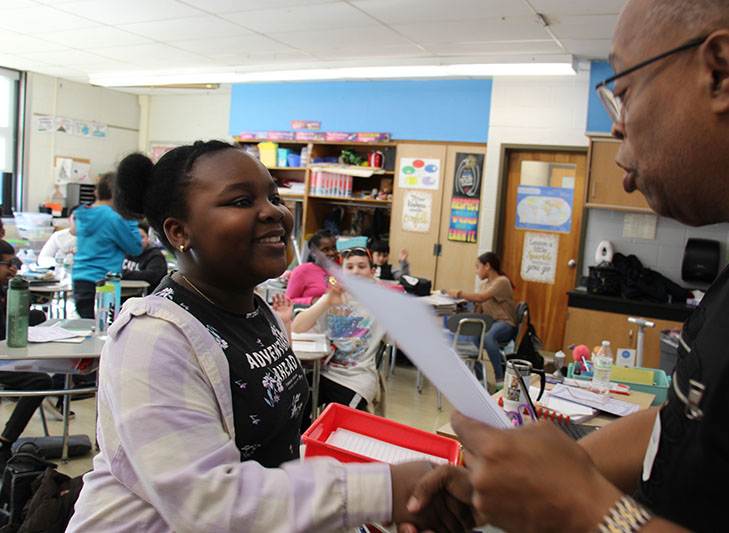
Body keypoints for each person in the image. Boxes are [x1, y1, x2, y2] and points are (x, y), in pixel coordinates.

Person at [406, 0, 729, 531]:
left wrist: (586, 508)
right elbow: (684, 425)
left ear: (720, 72)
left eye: (625, 93)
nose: (618, 129)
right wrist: (540, 478)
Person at [67, 141, 472, 532]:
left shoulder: (257, 312)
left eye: (274, 197)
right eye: (242, 201)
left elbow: (273, 456)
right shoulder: (155, 339)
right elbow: (211, 504)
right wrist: (384, 490)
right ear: (178, 232)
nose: (274, 212)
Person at [292, 247, 385, 415]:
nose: (355, 271)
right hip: (323, 373)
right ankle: (302, 441)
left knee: (339, 420)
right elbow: (297, 327)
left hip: (356, 379)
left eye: (361, 266)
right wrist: (326, 302)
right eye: (349, 267)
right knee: (293, 404)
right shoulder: (333, 297)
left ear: (372, 271)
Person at [0, 239, 51, 470]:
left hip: (5, 355)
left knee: (39, 375)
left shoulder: (4, 289)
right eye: (8, 264)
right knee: (39, 381)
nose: (14, 269)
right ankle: (5, 442)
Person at [71, 172, 142, 318]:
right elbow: (135, 247)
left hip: (80, 280)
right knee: (104, 332)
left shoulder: (82, 213)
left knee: (90, 326)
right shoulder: (112, 218)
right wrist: (131, 216)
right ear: (118, 194)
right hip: (103, 283)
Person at [446, 252, 516, 388]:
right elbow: (479, 310)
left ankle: (500, 379)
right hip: (490, 324)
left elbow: (480, 298)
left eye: (477, 267)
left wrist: (458, 293)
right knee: (473, 337)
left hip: (505, 324)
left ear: (487, 266)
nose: (476, 271)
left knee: (489, 336)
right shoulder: (483, 285)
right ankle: (480, 380)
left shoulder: (502, 281)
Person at [284, 229, 337, 305]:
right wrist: (312, 301)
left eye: (334, 248)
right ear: (314, 252)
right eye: (325, 250)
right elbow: (287, 301)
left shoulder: (338, 271)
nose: (332, 253)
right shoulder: (302, 271)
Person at [121, 220, 167, 294]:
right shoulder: (123, 252)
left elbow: (151, 276)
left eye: (141, 237)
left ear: (148, 237)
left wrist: (122, 273)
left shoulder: (155, 256)